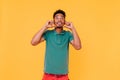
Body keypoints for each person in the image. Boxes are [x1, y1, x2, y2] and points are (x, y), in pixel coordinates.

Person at [31, 9, 82, 80]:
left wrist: (73, 28)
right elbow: (33, 42)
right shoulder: (48, 33)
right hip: (48, 75)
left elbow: (78, 47)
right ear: (53, 20)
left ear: (64, 21)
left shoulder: (68, 34)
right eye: (57, 18)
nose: (59, 20)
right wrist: (45, 27)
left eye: (62, 18)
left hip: (63, 76)